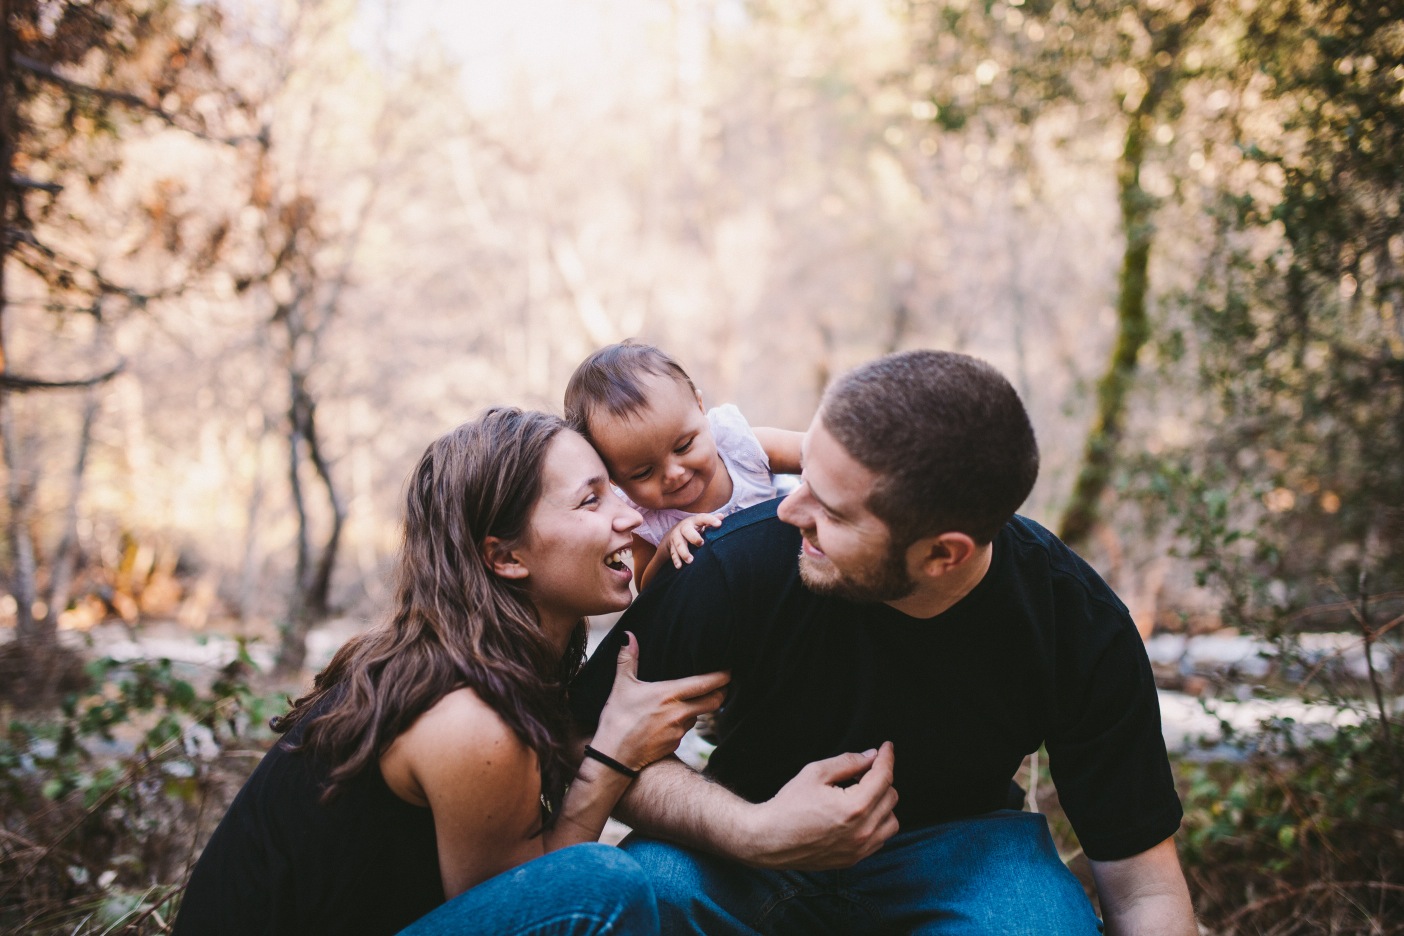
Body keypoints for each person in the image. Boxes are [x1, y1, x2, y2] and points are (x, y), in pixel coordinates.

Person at [570, 351, 1198, 934]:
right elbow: (576, 735)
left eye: (834, 514)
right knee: (634, 894)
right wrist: (749, 830)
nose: (790, 512)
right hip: (734, 848)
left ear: (941, 554)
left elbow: (1146, 891)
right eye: (803, 477)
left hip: (967, 858)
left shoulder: (1074, 621)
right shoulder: (732, 561)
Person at [174, 408, 730, 936]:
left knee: (669, 869)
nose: (631, 513)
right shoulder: (472, 717)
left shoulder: (471, 654)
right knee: (607, 885)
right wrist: (612, 756)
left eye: (612, 487)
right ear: (506, 557)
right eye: (590, 500)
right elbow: (552, 912)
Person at [565, 341, 802, 590]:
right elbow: (648, 592)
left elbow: (814, 453)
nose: (674, 473)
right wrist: (665, 550)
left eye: (684, 446)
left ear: (701, 409)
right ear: (614, 479)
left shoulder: (738, 446)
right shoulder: (644, 520)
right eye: (644, 472)